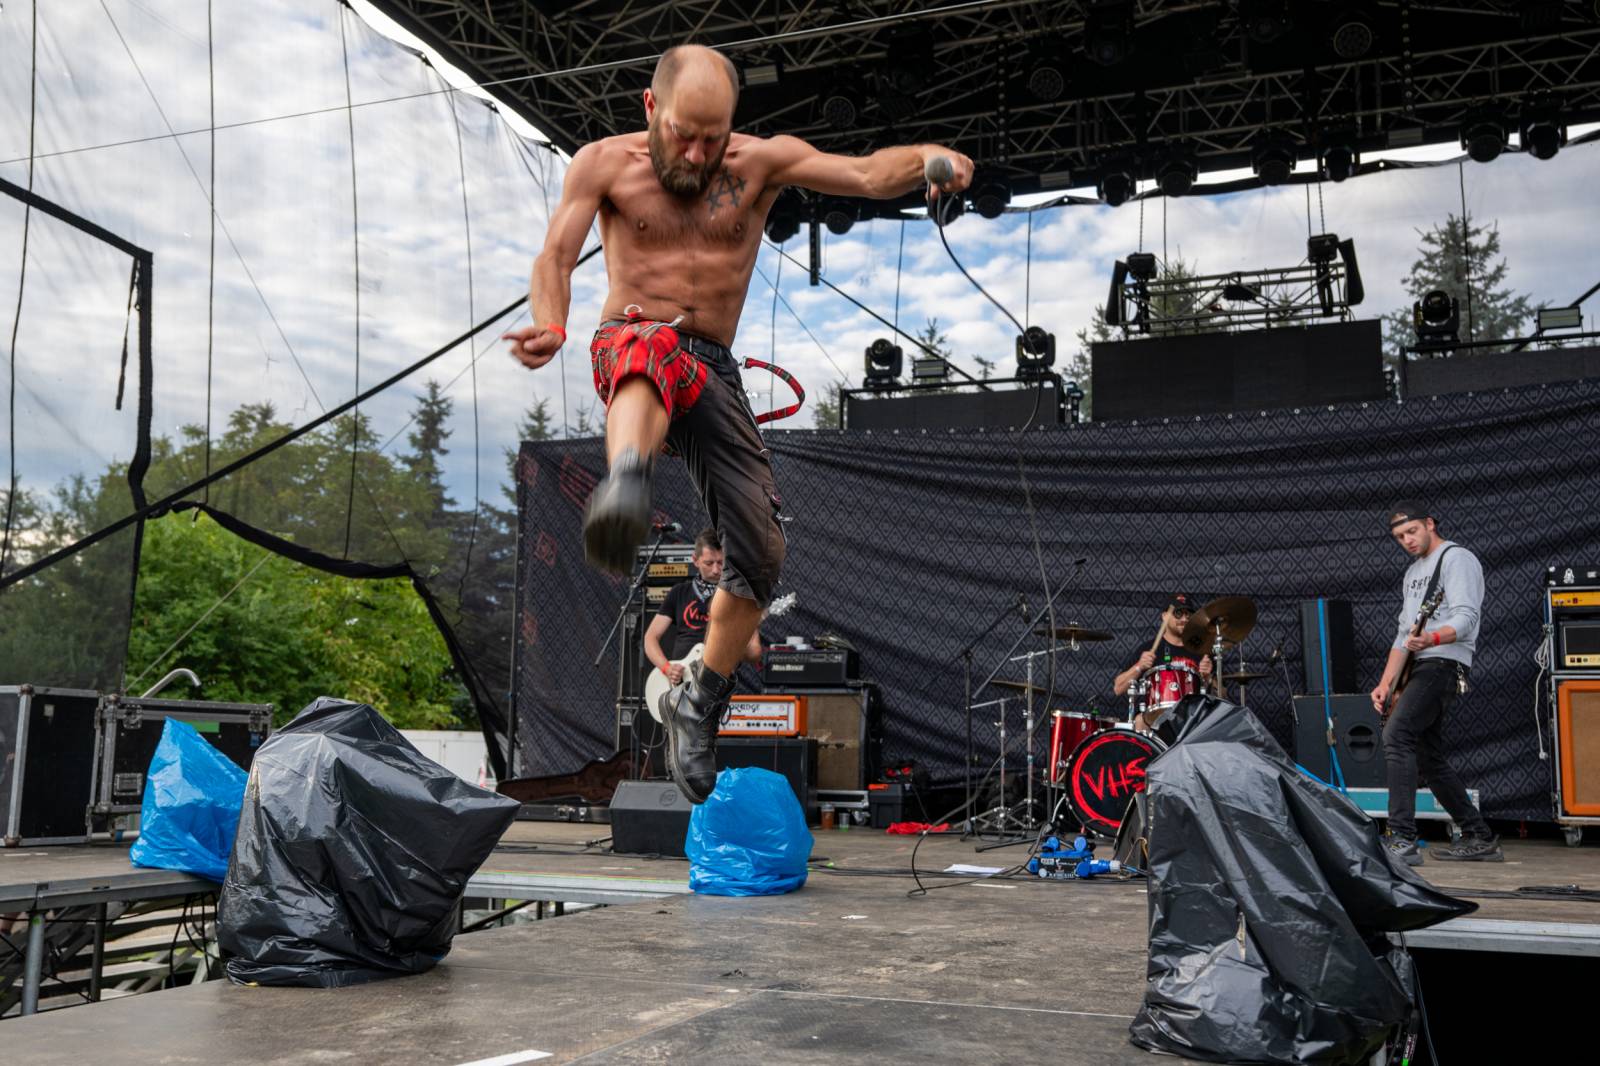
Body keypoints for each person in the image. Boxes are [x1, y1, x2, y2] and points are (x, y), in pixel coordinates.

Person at [505, 43, 972, 803]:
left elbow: (860, 173)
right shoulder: (602, 163)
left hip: (714, 368)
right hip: (634, 337)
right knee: (647, 352)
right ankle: (628, 475)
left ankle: (701, 702)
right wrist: (552, 325)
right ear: (652, 110)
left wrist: (928, 158)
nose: (695, 152)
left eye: (712, 138)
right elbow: (556, 254)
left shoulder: (760, 163)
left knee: (762, 551)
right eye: (683, 133)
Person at [1370, 501, 1501, 864]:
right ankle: (1478, 834)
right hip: (1419, 664)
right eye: (1399, 536)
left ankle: (1401, 839)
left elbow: (1467, 618)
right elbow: (1403, 636)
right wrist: (1386, 682)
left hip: (1443, 662)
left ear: (1429, 524)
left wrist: (1433, 639)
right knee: (1427, 756)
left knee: (1396, 736)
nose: (1407, 540)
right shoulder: (1413, 573)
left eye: (1412, 531)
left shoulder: (1457, 559)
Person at [644, 527, 762, 684]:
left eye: (721, 563)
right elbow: (651, 637)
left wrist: (736, 648)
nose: (715, 570)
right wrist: (666, 668)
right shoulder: (679, 592)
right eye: (709, 563)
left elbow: (755, 651)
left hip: (718, 681)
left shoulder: (738, 597)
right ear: (695, 560)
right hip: (680, 681)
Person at [1112, 593, 1212, 731]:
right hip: (1156, 718)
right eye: (1178, 613)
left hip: (1191, 717)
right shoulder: (1149, 648)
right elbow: (1118, 688)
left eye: (1188, 614)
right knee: (1140, 720)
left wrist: (1208, 678)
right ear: (1164, 616)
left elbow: (1222, 696)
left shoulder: (1202, 651)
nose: (1184, 619)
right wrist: (1139, 666)